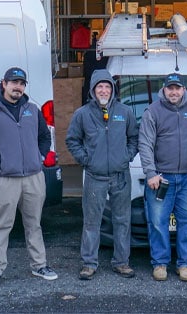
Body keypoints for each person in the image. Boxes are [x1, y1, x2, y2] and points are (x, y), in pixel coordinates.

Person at [0, 67, 58, 287]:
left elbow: (44, 136)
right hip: (4, 179)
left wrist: (38, 155)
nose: (17, 87)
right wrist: (1, 162)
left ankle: (39, 265)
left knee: (34, 224)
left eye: (21, 83)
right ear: (4, 84)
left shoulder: (33, 110)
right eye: (14, 82)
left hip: (33, 177)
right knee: (2, 225)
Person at [66, 69, 139, 280]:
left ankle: (122, 262)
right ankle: (89, 263)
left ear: (113, 89)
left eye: (107, 86)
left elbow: (134, 137)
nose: (104, 90)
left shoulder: (124, 112)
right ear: (93, 90)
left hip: (120, 176)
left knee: (122, 220)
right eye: (100, 87)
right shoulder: (82, 114)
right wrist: (86, 159)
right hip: (95, 177)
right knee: (91, 222)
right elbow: (72, 140)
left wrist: (126, 156)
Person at [138, 73, 187, 282]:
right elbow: (145, 144)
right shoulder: (153, 111)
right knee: (157, 222)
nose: (174, 92)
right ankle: (160, 263)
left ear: (184, 89)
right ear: (163, 90)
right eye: (170, 88)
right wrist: (151, 172)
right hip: (161, 179)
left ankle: (185, 265)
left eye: (178, 88)